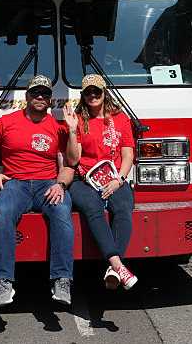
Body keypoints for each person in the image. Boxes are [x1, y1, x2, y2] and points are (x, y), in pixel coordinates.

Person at [0, 74, 74, 308]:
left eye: (45, 94)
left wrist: (60, 185)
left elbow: (70, 164)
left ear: (50, 100)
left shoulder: (58, 127)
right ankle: (3, 281)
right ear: (27, 96)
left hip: (48, 184)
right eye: (36, 93)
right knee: (4, 211)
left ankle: (62, 279)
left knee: (61, 212)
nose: (40, 97)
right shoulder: (6, 122)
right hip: (16, 184)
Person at [64, 74, 139, 290]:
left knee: (124, 207)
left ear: (105, 92)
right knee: (92, 207)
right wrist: (71, 130)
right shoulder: (77, 119)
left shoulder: (121, 119)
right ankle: (118, 265)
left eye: (97, 91)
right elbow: (73, 160)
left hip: (114, 178)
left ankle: (114, 270)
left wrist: (119, 180)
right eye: (88, 92)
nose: (93, 95)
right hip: (83, 180)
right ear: (83, 95)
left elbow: (127, 156)